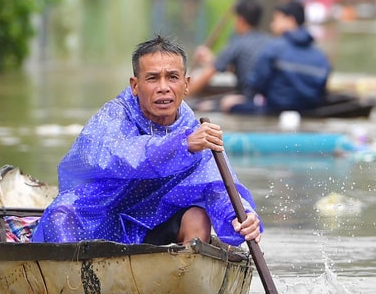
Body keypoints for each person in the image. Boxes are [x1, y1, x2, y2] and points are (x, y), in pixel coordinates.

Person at [31, 35, 262, 247]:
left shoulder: (195, 130)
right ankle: (75, 283)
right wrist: (182, 145)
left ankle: (182, 281)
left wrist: (242, 216)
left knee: (197, 217)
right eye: (152, 78)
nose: (163, 88)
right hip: (106, 219)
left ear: (186, 84)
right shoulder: (115, 115)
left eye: (172, 77)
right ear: (135, 85)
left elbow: (217, 186)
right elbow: (121, 155)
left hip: (160, 224)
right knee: (61, 214)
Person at [228, 0, 332, 115]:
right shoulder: (320, 56)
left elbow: (256, 83)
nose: (272, 25)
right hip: (309, 112)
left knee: (229, 105)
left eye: (276, 19)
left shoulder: (274, 48)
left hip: (273, 111)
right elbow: (321, 92)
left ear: (290, 20)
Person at [186, 0, 273, 111]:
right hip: (268, 98)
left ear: (240, 20)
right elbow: (242, 65)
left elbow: (207, 74)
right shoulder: (270, 42)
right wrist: (212, 60)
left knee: (205, 105)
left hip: (249, 99)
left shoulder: (238, 44)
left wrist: (183, 95)